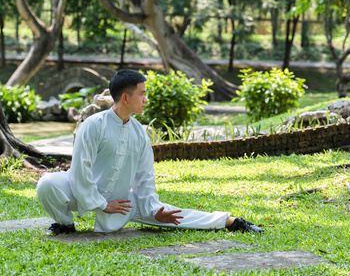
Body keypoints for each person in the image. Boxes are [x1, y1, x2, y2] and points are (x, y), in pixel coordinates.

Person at [37, 69, 263, 235]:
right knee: (47, 184)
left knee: (169, 214)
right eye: (142, 94)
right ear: (126, 98)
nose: (146, 99)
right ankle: (65, 224)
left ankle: (231, 222)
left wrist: (153, 209)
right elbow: (80, 170)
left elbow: (145, 178)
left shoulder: (139, 134)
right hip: (80, 192)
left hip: (122, 201)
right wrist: (101, 204)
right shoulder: (93, 125)